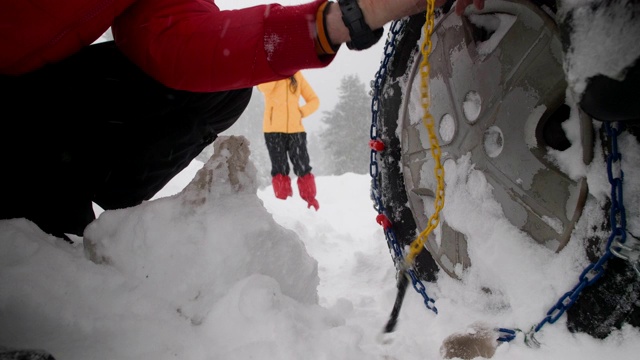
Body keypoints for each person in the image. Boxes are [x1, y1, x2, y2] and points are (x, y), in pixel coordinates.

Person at [0, 0, 486, 241]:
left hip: (287, 126)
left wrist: (346, 17)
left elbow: (186, 39)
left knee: (222, 90)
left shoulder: (293, 89)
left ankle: (65, 210)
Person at [257, 71, 321, 210]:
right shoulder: (270, 73)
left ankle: (310, 200)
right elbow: (263, 88)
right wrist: (277, 72)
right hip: (273, 130)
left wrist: (301, 112)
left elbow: (314, 100)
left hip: (296, 130)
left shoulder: (297, 75)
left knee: (303, 166)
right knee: (279, 168)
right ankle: (282, 203)